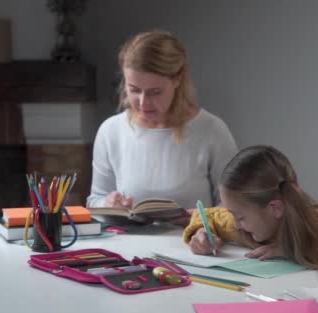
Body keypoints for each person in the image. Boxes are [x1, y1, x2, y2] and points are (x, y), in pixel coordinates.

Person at [86, 30, 238, 213]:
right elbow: (95, 200)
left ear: (177, 79)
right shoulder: (111, 131)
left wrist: (204, 218)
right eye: (134, 90)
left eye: (155, 92)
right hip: (127, 241)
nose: (143, 102)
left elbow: (235, 207)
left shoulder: (212, 131)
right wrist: (108, 204)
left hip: (192, 240)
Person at [183, 145, 318, 269]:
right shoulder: (242, 225)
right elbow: (208, 214)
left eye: (240, 217)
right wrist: (201, 232)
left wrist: (293, 252)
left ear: (275, 208)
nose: (235, 224)